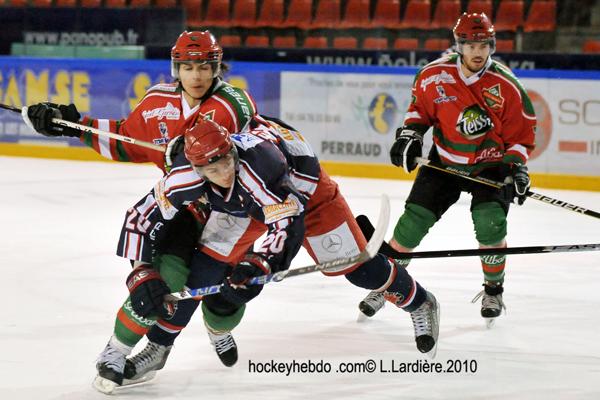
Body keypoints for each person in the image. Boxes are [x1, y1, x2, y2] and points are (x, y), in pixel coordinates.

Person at [110, 117, 440, 388]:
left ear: (231, 151)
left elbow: (286, 222)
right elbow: (140, 217)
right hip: (243, 204)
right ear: (194, 168)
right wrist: (140, 273)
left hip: (309, 196)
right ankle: (158, 346)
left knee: (361, 271)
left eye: (226, 161)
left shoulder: (257, 168)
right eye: (211, 169)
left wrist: (260, 262)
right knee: (204, 270)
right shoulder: (185, 174)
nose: (223, 172)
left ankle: (419, 301)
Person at [21, 30, 264, 385]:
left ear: (217, 68)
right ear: (175, 68)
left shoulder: (232, 104)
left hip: (233, 214)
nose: (197, 75)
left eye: (205, 67)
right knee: (165, 282)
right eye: (188, 66)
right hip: (187, 206)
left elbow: (207, 155)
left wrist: (179, 154)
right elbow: (125, 140)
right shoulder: (156, 103)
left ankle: (217, 326)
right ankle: (129, 351)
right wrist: (72, 125)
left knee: (224, 299)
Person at [358, 12, 536, 327]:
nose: (478, 52)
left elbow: (521, 136)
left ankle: (493, 290)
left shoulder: (507, 86)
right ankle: (386, 284)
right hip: (444, 162)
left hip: (489, 166)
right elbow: (419, 112)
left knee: (490, 223)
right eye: (471, 45)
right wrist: (410, 137)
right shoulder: (432, 76)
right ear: (459, 46)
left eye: (484, 45)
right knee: (411, 225)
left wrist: (515, 170)